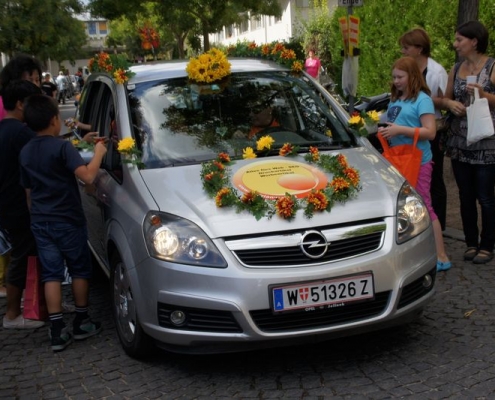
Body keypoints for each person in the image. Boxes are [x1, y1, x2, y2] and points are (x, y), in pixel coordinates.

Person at [19, 94, 107, 351]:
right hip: (68, 219)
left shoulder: (26, 151)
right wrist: (99, 152)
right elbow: (89, 177)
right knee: (79, 269)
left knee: (51, 274)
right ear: (54, 120)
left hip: (40, 221)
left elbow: (28, 193)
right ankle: (81, 321)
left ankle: (57, 330)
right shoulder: (62, 148)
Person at [379, 56, 451, 272]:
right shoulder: (396, 98)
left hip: (419, 161)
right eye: (394, 77)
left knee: (425, 207)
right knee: (404, 209)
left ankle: (442, 256)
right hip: (399, 159)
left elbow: (430, 132)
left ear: (412, 76)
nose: (396, 81)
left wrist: (399, 130)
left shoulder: (423, 99)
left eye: (400, 77)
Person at [440, 21, 495, 264]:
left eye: (459, 39)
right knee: (465, 195)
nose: (455, 44)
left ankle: (487, 244)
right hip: (460, 142)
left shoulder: (492, 66)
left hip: (486, 142)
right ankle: (471, 242)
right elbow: (445, 99)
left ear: (474, 41)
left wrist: (483, 95)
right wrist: (450, 104)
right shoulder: (456, 67)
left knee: (485, 196)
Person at [0, 80, 45, 329]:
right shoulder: (19, 132)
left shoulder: (6, 129)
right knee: (22, 255)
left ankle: (41, 305)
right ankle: (12, 315)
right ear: (20, 104)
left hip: (9, 205)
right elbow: (43, 148)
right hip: (19, 206)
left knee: (28, 254)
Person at [399, 28, 449, 231]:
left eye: (406, 47)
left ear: (419, 49)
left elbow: (447, 101)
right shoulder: (407, 69)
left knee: (434, 180)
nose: (403, 51)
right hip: (411, 135)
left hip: (431, 132)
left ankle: (439, 225)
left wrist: (424, 100)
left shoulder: (436, 71)